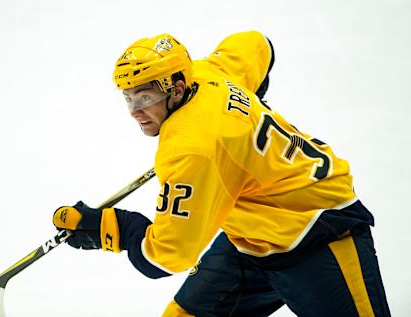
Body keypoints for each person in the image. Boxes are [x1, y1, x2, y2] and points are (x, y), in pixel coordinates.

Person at [52, 31, 390, 316]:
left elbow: (167, 258)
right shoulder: (208, 71)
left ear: (178, 88)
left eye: (146, 96)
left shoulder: (192, 149)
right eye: (128, 97)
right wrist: (246, 97)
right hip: (249, 235)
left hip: (318, 232)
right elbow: (256, 43)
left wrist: (115, 228)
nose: (135, 112)